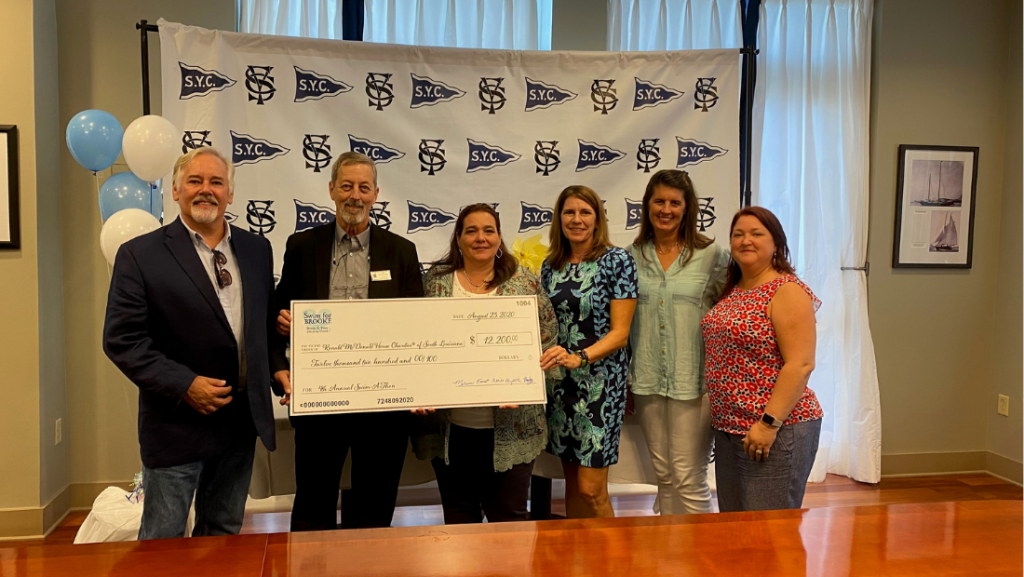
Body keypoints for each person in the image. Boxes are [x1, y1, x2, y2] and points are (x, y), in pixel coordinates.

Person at [103, 146, 278, 539]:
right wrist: (185, 385)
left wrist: (280, 357)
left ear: (230, 194)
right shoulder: (140, 254)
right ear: (176, 191)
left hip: (239, 423)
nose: (206, 190)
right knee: (163, 542)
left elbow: (261, 325)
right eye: (195, 181)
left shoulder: (256, 250)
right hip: (176, 423)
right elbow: (121, 339)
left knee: (223, 532)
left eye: (216, 182)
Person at [271, 152, 424, 531]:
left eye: (363, 187)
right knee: (312, 502)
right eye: (346, 186)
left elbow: (417, 327)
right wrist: (282, 322)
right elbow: (275, 312)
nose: (354, 195)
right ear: (331, 190)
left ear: (376, 194)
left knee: (374, 504)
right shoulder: (302, 247)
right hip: (320, 398)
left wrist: (422, 385)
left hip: (384, 404)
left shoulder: (401, 252)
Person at [412, 204, 559, 524]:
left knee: (508, 518)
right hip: (451, 431)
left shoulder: (524, 283)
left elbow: (547, 344)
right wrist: (417, 390)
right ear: (459, 239)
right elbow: (416, 341)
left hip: (513, 428)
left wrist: (525, 384)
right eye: (472, 231)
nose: (481, 238)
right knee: (459, 518)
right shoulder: (435, 282)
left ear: (499, 237)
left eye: (488, 230)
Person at [701, 206, 823, 512]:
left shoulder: (787, 291)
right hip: (730, 430)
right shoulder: (734, 289)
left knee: (771, 535)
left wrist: (768, 424)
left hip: (776, 428)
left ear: (776, 244)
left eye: (757, 234)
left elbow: (801, 364)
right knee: (736, 530)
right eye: (738, 234)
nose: (746, 241)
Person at [627, 170, 729, 516]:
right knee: (665, 476)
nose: (666, 209)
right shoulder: (632, 255)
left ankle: (699, 559)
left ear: (688, 208)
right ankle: (670, 555)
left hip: (694, 381)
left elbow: (732, 304)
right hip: (647, 378)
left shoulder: (712, 255)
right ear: (647, 206)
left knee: (688, 476)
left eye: (675, 202)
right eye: (659, 201)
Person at [539, 185, 638, 519]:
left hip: (600, 386)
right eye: (569, 212)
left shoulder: (617, 261)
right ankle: (577, 564)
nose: (577, 219)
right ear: (559, 219)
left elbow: (620, 334)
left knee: (591, 489)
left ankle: (612, 568)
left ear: (598, 219)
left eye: (585, 212)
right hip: (559, 385)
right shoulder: (550, 266)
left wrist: (580, 357)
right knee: (571, 483)